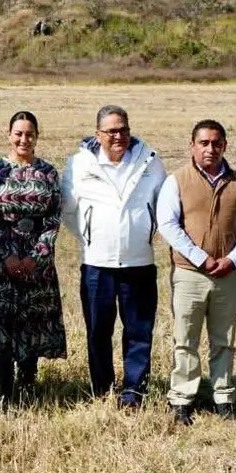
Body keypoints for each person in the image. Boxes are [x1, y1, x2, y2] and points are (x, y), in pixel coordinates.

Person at [156, 119, 236, 424]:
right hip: (189, 273)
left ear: (225, 146)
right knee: (185, 339)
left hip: (227, 275)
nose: (210, 149)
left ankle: (224, 397)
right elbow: (168, 225)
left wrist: (233, 259)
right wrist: (202, 259)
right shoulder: (176, 181)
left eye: (216, 143)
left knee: (224, 339)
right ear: (192, 146)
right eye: (203, 143)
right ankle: (182, 398)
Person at [61, 104, 167, 408]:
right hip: (97, 265)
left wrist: (146, 232)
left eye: (123, 129)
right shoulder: (80, 164)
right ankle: (103, 387)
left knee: (139, 330)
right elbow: (68, 209)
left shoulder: (150, 161)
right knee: (97, 331)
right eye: (111, 131)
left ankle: (134, 390)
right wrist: (90, 236)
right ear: (98, 134)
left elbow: (163, 206)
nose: (118, 136)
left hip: (139, 263)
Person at [0, 111, 67, 404]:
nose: (24, 139)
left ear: (37, 136)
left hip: (37, 259)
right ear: (8, 134)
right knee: (2, 320)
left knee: (32, 320)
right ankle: (4, 386)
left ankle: (27, 382)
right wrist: (9, 256)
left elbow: (53, 219)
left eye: (29, 134)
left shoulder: (48, 172)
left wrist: (37, 257)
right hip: (1, 259)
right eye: (18, 133)